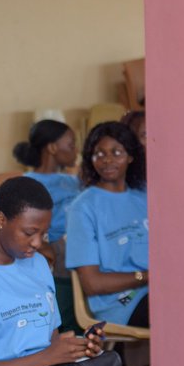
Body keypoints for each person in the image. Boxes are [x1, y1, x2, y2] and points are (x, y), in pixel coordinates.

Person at [0, 176, 178, 366]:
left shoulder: (38, 264)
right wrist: (47, 357)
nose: (37, 243)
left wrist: (79, 347)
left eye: (43, 234)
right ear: (1, 220)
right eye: (29, 232)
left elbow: (50, 340)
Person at [66, 122, 151, 328]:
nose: (108, 160)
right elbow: (93, 283)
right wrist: (146, 277)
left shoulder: (144, 198)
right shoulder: (83, 207)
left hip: (156, 290)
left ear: (131, 156)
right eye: (99, 154)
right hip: (121, 303)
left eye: (116, 152)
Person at [17, 119, 82, 331]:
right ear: (53, 147)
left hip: (80, 241)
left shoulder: (72, 180)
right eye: (71, 144)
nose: (76, 150)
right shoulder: (30, 183)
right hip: (56, 246)